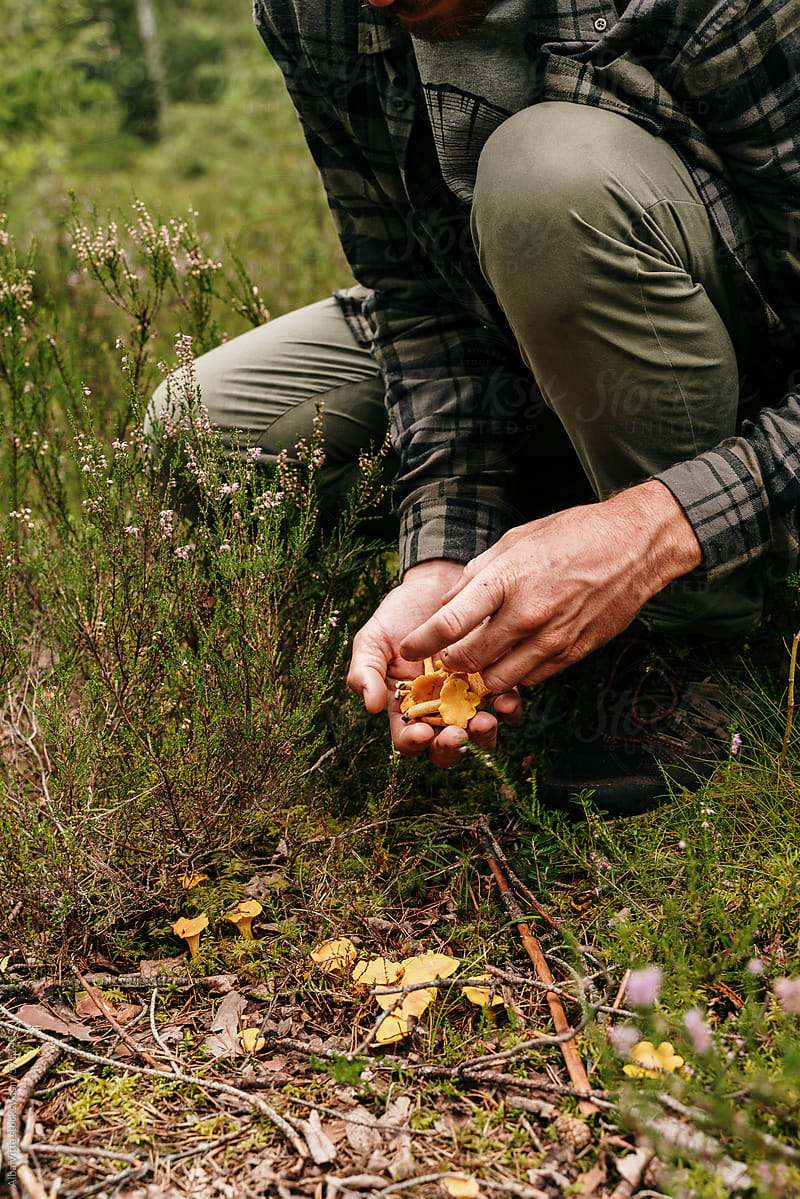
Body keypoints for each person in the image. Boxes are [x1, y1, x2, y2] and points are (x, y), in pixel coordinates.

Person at [151, 0, 800, 813]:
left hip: (752, 344)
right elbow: (419, 295)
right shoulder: (314, 11)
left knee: (545, 179)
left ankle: (700, 630)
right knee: (202, 425)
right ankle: (542, 552)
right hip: (508, 323)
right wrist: (443, 546)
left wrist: (662, 525)